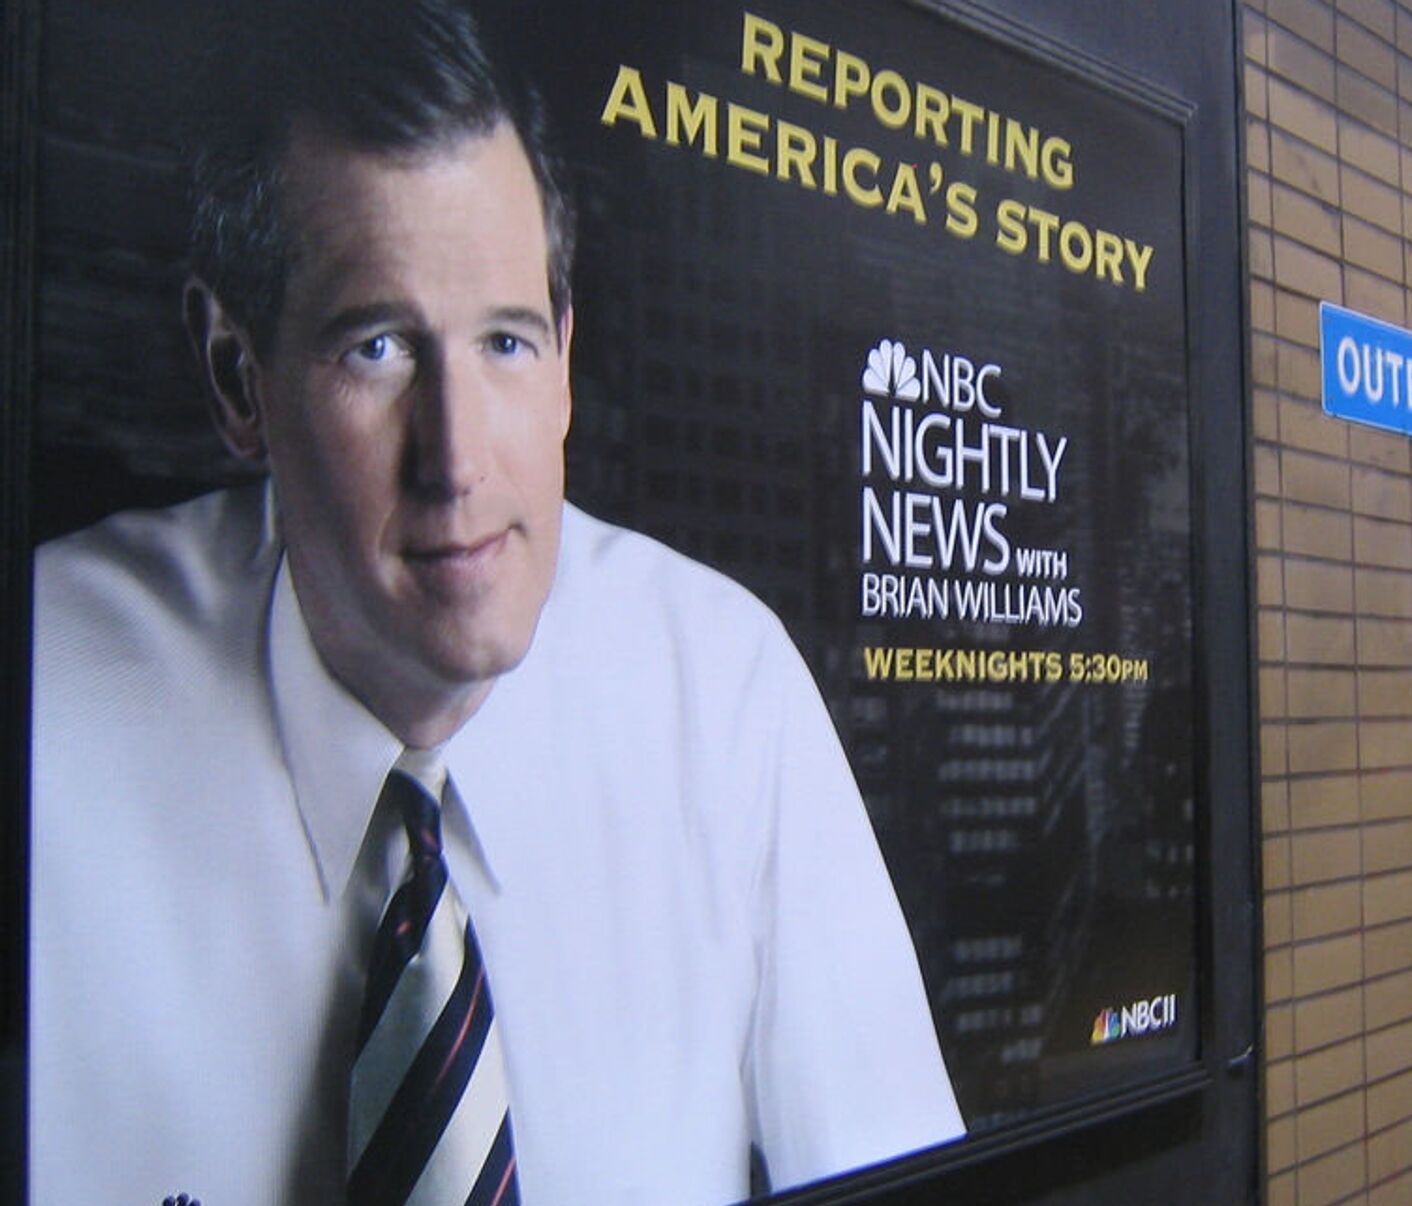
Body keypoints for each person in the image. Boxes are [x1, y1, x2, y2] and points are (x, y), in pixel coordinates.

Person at [29, 2, 962, 1202]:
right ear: (236, 378)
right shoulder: (46, 698)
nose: (458, 460)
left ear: (566, 360)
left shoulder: (730, 695)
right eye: (378, 348)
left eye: (507, 345)